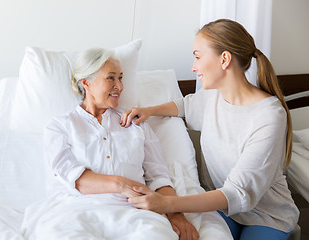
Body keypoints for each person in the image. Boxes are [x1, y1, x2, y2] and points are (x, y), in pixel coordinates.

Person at [120, 19, 299, 240]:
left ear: (224, 59)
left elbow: (237, 193)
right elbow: (185, 106)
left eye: (197, 56)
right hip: (224, 210)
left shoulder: (269, 116)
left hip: (267, 216)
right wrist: (149, 110)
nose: (193, 66)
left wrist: (166, 203)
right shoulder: (214, 95)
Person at [21, 48, 199, 240]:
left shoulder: (136, 124)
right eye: (111, 78)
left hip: (135, 213)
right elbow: (75, 178)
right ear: (86, 83)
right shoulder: (60, 127)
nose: (120, 86)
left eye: (121, 78)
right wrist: (119, 184)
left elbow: (159, 176)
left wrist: (176, 214)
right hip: (76, 211)